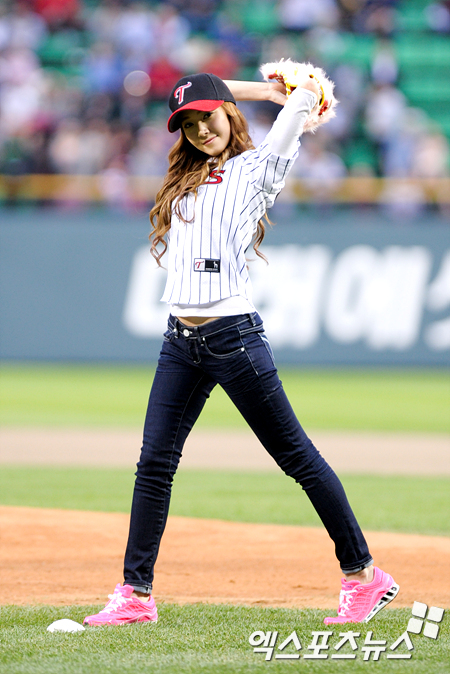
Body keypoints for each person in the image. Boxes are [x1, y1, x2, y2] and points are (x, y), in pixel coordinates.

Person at [84, 72, 399, 627]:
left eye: (208, 116)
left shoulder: (260, 166)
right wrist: (229, 93)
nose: (201, 129)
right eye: (189, 123)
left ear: (228, 114)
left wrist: (271, 91)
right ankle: (135, 595)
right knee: (154, 463)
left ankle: (364, 576)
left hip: (233, 339)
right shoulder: (186, 175)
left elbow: (307, 91)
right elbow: (190, 85)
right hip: (179, 341)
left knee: (297, 458)